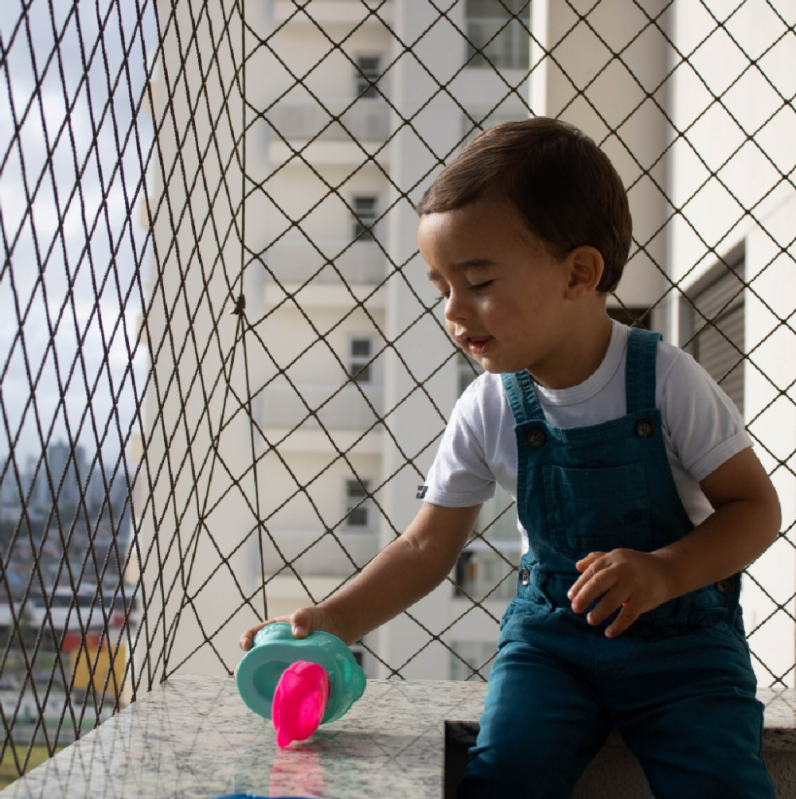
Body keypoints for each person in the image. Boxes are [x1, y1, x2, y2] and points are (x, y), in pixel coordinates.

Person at [240, 118, 781, 798]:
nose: (455, 311)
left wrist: (665, 571)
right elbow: (424, 547)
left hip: (684, 648)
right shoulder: (489, 406)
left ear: (579, 273)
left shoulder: (667, 382)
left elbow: (755, 509)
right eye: (442, 288)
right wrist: (338, 617)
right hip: (553, 647)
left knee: (723, 784)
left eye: (479, 280)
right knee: (503, 778)